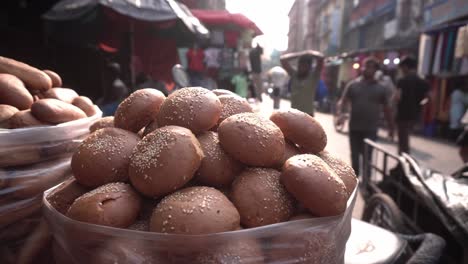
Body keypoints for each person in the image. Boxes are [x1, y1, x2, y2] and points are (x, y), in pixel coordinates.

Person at [337, 57, 395, 176]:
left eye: (371, 67)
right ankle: (355, 180)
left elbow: (387, 109)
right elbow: (343, 101)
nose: (367, 69)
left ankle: (366, 184)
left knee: (367, 157)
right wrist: (341, 115)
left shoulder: (380, 89)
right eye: (365, 66)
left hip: (371, 129)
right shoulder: (353, 85)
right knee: (354, 156)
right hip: (354, 127)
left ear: (375, 70)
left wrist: (391, 127)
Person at [394, 56, 429, 154]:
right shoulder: (423, 82)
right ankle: (405, 163)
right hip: (415, 114)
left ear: (405, 67)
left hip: (403, 115)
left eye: (401, 68)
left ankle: (403, 164)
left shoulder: (402, 80)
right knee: (407, 140)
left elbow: (397, 97)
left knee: (403, 142)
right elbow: (428, 99)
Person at [280, 50, 324, 116]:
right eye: (300, 64)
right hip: (293, 113)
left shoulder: (314, 76)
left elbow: (321, 58)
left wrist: (310, 53)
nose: (301, 67)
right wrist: (300, 54)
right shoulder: (294, 74)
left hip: (308, 114)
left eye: (304, 65)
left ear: (309, 67)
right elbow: (283, 59)